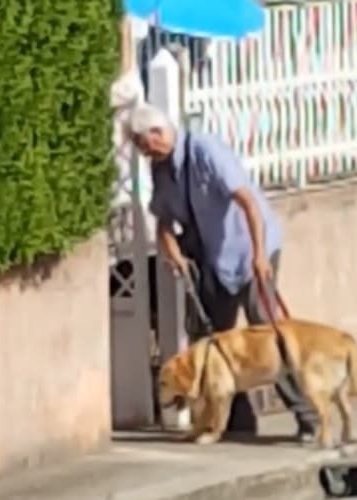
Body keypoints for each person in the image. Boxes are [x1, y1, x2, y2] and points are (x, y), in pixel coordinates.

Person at [130, 103, 318, 442]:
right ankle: (235, 419)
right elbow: (163, 219)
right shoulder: (161, 169)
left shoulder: (206, 151)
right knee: (212, 339)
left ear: (158, 133)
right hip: (211, 258)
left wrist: (260, 256)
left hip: (247, 249)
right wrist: (169, 245)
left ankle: (309, 417)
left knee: (268, 334)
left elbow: (247, 201)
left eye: (145, 144)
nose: (144, 153)